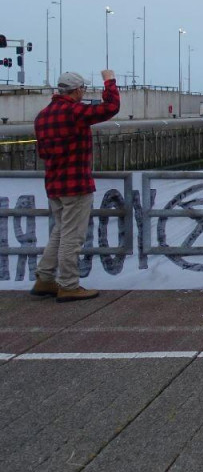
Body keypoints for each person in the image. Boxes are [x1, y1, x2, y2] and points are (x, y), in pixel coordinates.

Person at [31, 70, 120, 302]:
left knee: (59, 231)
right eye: (83, 89)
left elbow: (42, 152)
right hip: (76, 184)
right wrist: (109, 81)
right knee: (72, 236)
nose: (84, 92)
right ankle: (69, 284)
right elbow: (110, 108)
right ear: (77, 90)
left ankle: (45, 278)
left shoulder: (42, 116)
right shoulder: (75, 112)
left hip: (54, 183)